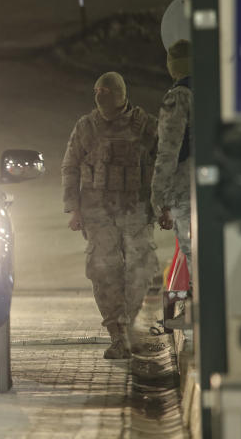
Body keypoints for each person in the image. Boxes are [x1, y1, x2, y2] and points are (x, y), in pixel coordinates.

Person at [61, 71, 159, 359]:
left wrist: (164, 206)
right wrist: (74, 209)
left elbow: (164, 164)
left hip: (136, 209)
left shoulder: (145, 127)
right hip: (98, 211)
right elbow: (70, 166)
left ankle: (132, 331)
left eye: (107, 92)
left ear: (121, 95)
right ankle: (118, 334)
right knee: (104, 272)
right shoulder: (87, 127)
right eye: (98, 92)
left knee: (140, 271)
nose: (101, 97)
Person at [151, 40, 192, 269]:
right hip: (221, 190)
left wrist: (159, 201)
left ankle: (204, 303)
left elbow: (168, 152)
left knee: (196, 258)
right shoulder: (219, 91)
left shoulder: (178, 97)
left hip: (187, 192)